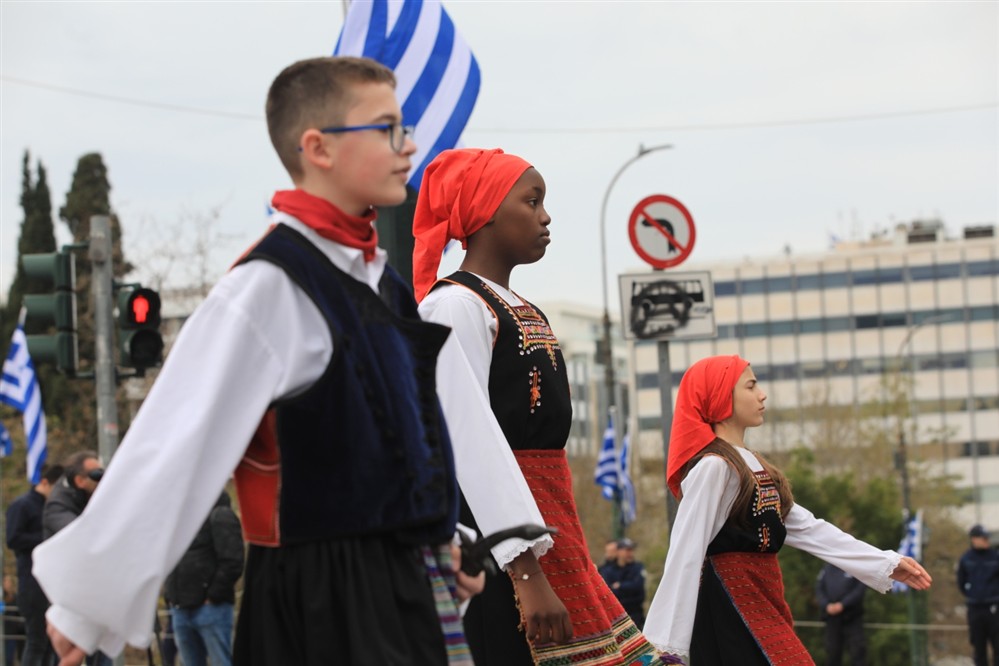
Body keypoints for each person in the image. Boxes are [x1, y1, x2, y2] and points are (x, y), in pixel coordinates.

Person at [32, 55, 482, 666]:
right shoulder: (269, 285)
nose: (408, 146)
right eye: (387, 128)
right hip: (324, 594)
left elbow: (411, 433)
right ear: (318, 148)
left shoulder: (382, 280)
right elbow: (178, 441)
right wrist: (85, 608)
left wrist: (440, 535)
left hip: (406, 577)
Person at [414, 147, 657, 665]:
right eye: (532, 200)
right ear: (485, 212)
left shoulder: (514, 306)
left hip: (550, 520)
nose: (545, 216)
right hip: (497, 535)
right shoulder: (455, 306)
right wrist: (524, 570)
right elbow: (470, 442)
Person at [643, 354, 932, 665]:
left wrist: (885, 562)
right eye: (750, 386)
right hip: (729, 603)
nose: (761, 394)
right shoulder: (713, 467)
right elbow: (685, 552)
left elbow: (808, 529)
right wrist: (665, 648)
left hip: (762, 595)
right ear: (720, 397)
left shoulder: (751, 463)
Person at [163, 491, 244, 666]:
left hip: (211, 609)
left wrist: (212, 596)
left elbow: (233, 561)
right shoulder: (177, 517)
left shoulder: (219, 513)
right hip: (180, 608)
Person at [5, 463, 63, 666]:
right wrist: (46, 538)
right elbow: (13, 539)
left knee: (50, 643)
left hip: (52, 583)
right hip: (31, 582)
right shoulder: (22, 505)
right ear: (45, 482)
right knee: (36, 641)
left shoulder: (52, 507)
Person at [957, 524, 999, 666]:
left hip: (995, 608)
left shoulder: (996, 556)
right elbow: (961, 582)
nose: (986, 540)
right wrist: (973, 594)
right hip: (975, 609)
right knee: (979, 650)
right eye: (983, 537)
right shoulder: (966, 559)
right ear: (974, 539)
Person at [815, 563, 867, 665]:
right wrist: (826, 605)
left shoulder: (855, 567)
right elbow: (819, 589)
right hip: (832, 617)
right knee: (832, 651)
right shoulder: (826, 569)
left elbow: (860, 589)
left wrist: (843, 604)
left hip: (852, 616)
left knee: (857, 649)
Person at [41, 452, 101, 539]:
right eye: (96, 475)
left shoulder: (87, 496)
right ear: (79, 481)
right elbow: (82, 535)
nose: (100, 481)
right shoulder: (56, 506)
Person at [600, 538, 647, 630]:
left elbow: (638, 586)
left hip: (635, 616)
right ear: (618, 552)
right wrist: (628, 588)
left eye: (631, 550)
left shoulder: (637, 567)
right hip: (615, 618)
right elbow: (609, 593)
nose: (630, 553)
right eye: (627, 550)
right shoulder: (608, 570)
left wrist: (620, 586)